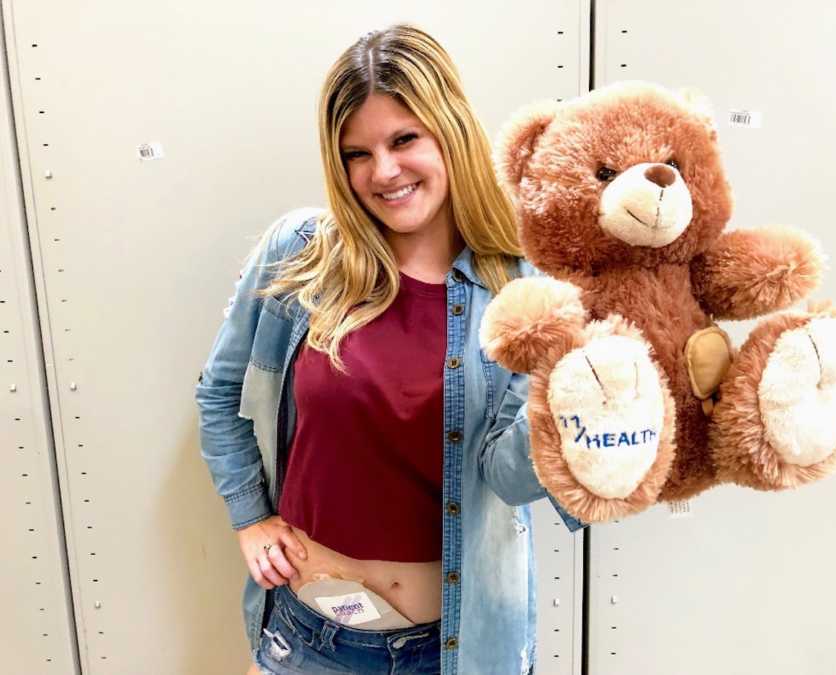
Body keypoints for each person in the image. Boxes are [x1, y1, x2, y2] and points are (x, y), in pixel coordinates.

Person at [196, 24, 584, 675]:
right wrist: (249, 517)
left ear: (450, 131)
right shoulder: (299, 255)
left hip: (458, 649)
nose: (383, 171)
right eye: (357, 153)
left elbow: (516, 476)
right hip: (309, 639)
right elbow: (220, 392)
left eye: (404, 139)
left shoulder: (520, 285)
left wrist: (593, 405)